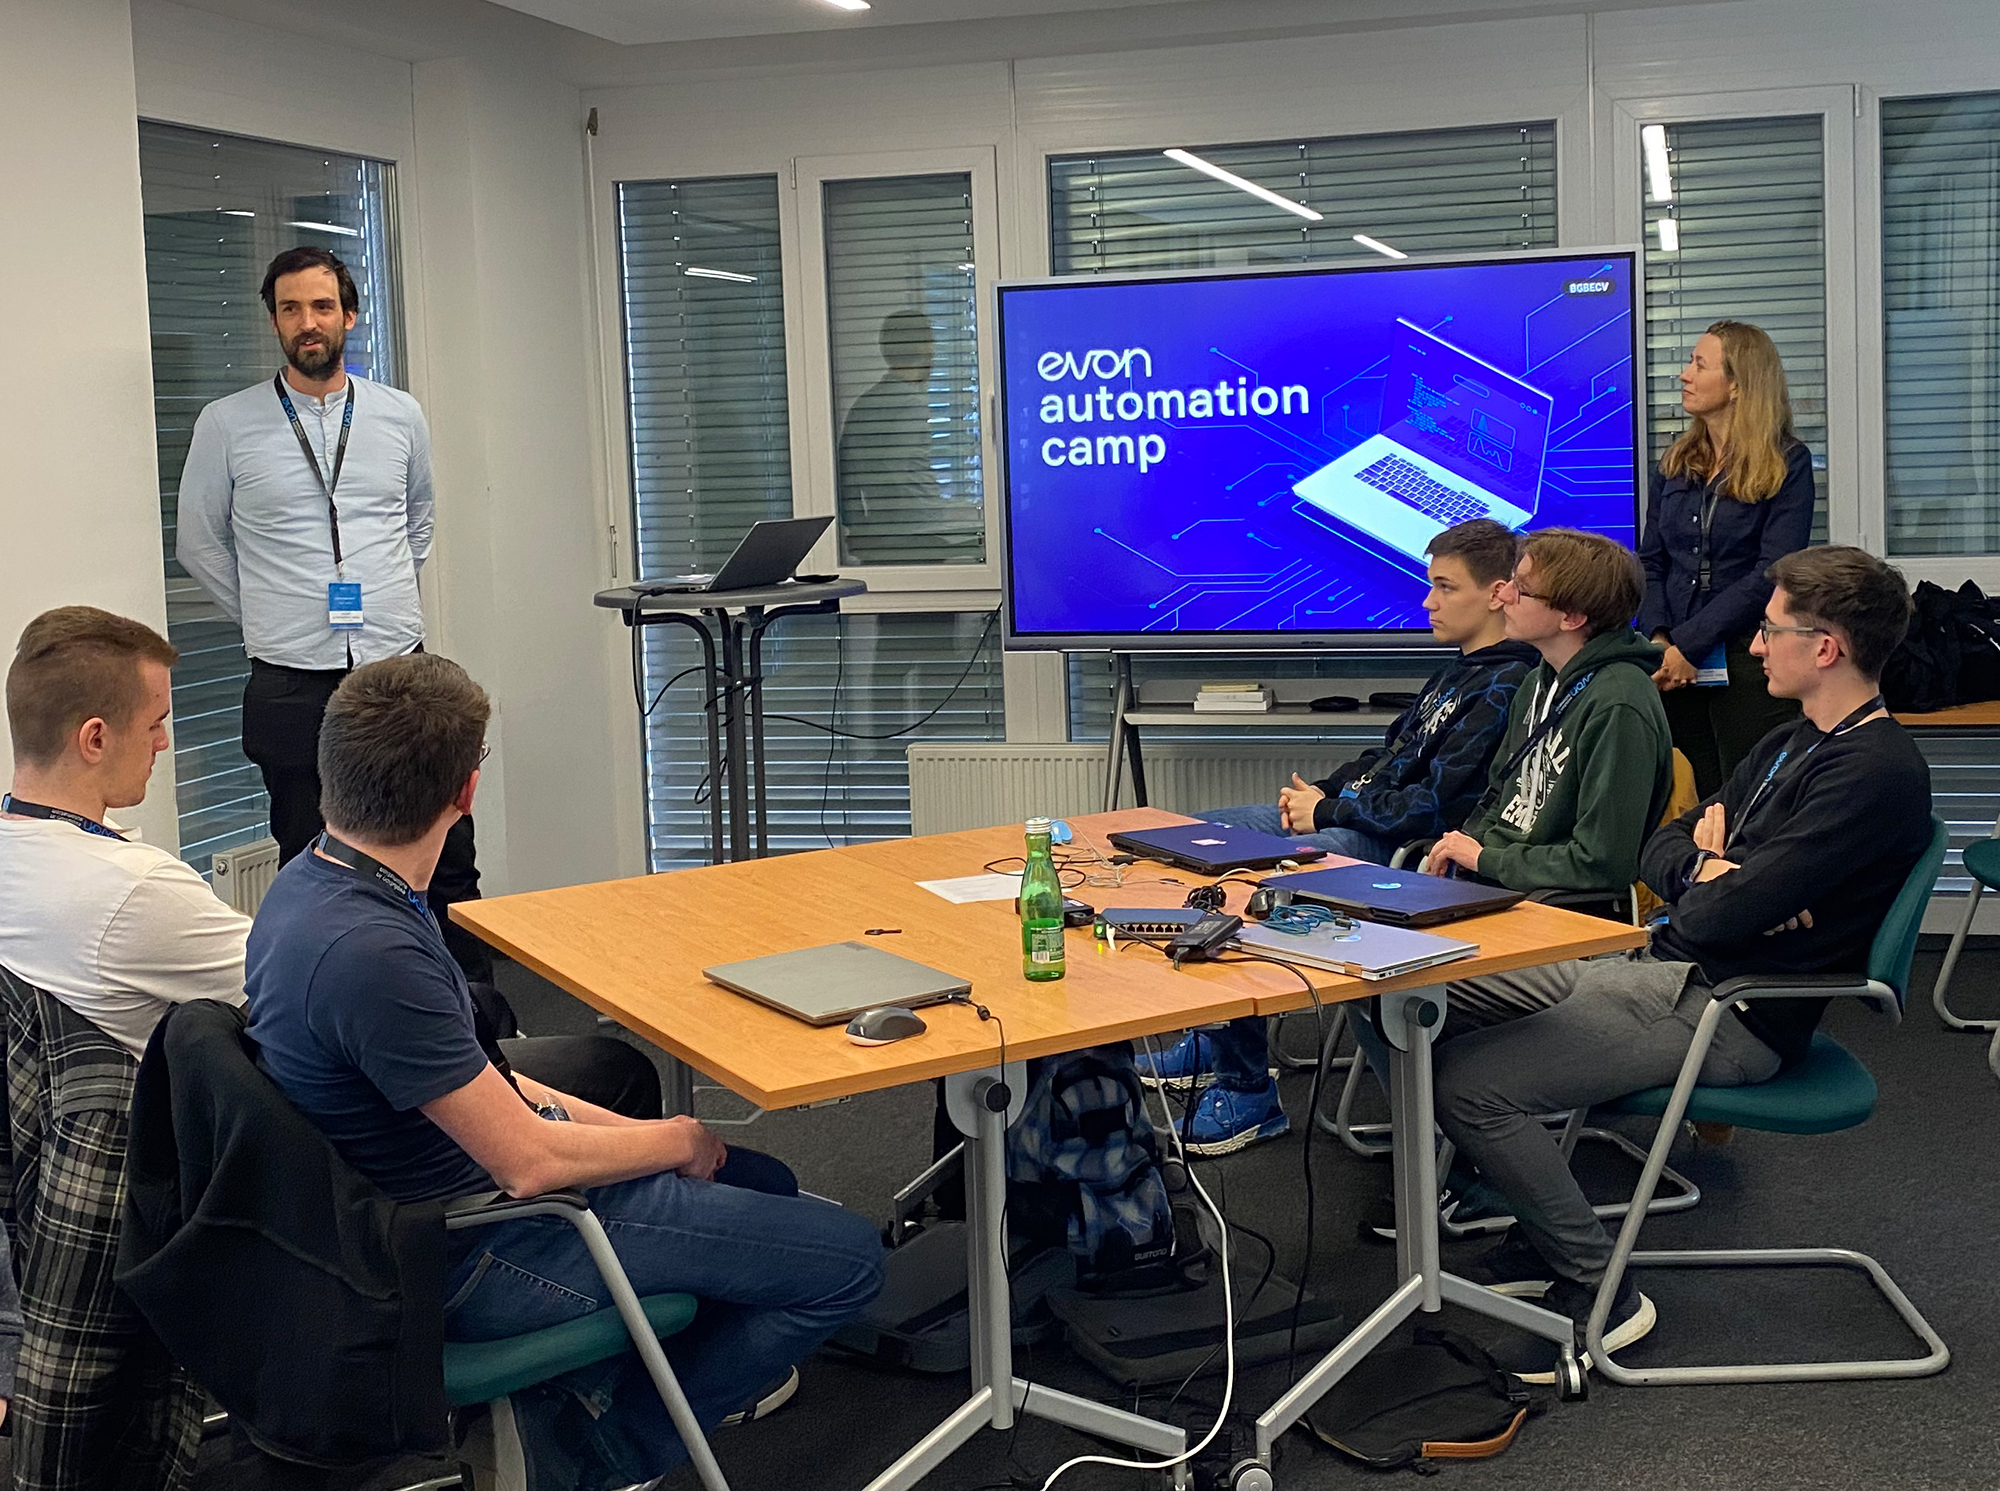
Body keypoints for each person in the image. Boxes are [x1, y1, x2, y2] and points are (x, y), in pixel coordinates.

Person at [244, 654, 884, 1488]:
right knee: (851, 1258)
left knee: (762, 1179)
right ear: (466, 791)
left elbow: (490, 1080)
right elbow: (528, 1162)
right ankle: (606, 1451)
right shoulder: (372, 953)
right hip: (480, 1248)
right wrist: (677, 1140)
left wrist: (654, 1136)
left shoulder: (316, 885)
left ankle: (586, 1392)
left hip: (428, 1207)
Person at [1430, 546, 1929, 1374]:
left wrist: (1721, 882)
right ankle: (1543, 1227)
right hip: (1662, 966)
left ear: (1826, 647)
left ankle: (1599, 1289)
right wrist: (1710, 867)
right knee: (1426, 996)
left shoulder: (1875, 772)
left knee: (1468, 1085)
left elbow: (1725, 910)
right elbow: (1659, 845)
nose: (1756, 645)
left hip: (1730, 1008)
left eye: (1769, 629)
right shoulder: (1787, 742)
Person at [1145, 519, 1540, 1155]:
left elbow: (1429, 807)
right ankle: (1218, 1035)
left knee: (1244, 880)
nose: (1428, 602)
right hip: (1357, 821)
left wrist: (1329, 809)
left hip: (1401, 853)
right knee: (1190, 839)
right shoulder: (1458, 670)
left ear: (1497, 594)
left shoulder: (1508, 682)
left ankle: (1247, 1091)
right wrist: (1321, 795)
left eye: (1445, 588)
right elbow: (1386, 757)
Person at [175, 245, 492, 982]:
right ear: (275, 322)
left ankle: (478, 1016)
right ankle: (326, 1012)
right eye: (290, 309)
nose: (307, 322)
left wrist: (380, 594)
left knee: (446, 853)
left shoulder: (399, 414)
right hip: (291, 679)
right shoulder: (227, 423)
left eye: (321, 306)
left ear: (349, 315)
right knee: (309, 859)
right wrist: (268, 614)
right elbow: (199, 543)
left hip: (399, 671)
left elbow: (417, 521)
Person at [1423, 528, 1673, 903]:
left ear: (1571, 617)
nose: (1504, 596)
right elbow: (1499, 796)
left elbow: (1603, 863)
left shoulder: (1619, 703)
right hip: (1497, 884)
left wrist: (1486, 859)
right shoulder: (1537, 681)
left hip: (1556, 906)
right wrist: (1467, 847)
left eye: (1522, 590)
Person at [1638, 320, 1815, 797]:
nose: (1684, 375)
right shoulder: (1675, 462)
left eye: (1700, 365)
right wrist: (1660, 640)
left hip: (1748, 661)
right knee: (1684, 800)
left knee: (1748, 799)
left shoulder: (1787, 463)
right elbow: (1651, 560)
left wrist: (1690, 645)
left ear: (1737, 384)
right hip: (1672, 667)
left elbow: (1773, 571)